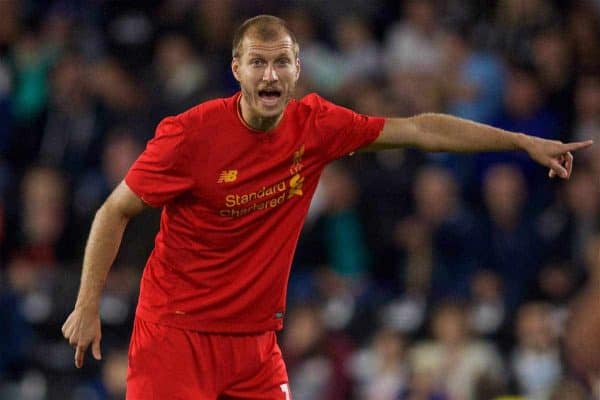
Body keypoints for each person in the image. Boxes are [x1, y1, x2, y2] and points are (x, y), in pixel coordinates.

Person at [62, 14, 592, 399]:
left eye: (281, 63)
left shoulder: (317, 125)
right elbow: (115, 210)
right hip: (177, 336)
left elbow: (419, 128)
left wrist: (519, 140)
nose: (270, 76)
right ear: (236, 70)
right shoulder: (190, 135)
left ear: (297, 68)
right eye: (257, 63)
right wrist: (88, 306)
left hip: (255, 345)